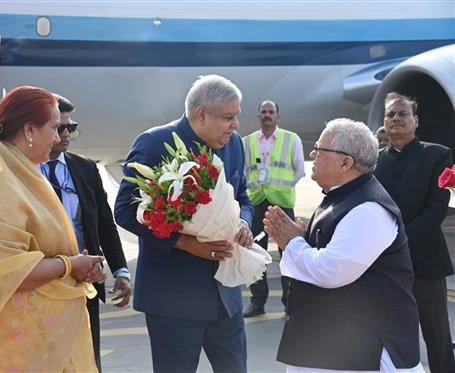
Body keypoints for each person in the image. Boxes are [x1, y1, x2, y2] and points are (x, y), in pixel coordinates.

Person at [0, 86, 104, 372]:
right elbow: (8, 271)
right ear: (29, 130)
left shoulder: (20, 171)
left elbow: (39, 251)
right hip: (17, 344)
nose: (57, 138)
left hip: (42, 332)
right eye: (53, 128)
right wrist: (69, 265)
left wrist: (80, 267)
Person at [114, 75, 254, 373]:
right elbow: (125, 210)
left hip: (225, 296)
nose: (236, 125)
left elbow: (243, 195)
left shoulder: (234, 145)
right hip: (173, 300)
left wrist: (243, 222)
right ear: (201, 114)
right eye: (228, 117)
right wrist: (184, 243)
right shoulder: (154, 143)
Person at [264, 118, 422, 371]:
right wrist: (303, 237)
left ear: (345, 162)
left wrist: (292, 241)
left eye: (320, 149)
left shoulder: (369, 209)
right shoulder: (343, 196)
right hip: (336, 346)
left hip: (363, 351)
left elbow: (331, 270)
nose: (312, 154)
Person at [41, 94, 132, 371]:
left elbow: (105, 224)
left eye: (71, 126)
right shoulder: (22, 172)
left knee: (88, 359)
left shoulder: (85, 168)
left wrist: (121, 272)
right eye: (59, 127)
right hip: (44, 284)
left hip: (86, 283)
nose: (66, 133)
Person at [374, 92, 455, 372]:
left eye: (402, 114)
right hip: (387, 265)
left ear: (415, 121)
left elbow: (436, 210)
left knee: (437, 334)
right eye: (391, 115)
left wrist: (399, 240)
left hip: (425, 262)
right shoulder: (374, 161)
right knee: (391, 335)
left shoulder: (437, 155)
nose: (396, 119)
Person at [241, 99, 305, 318]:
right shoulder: (246, 142)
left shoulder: (291, 139)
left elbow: (299, 170)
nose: (267, 115)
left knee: (288, 253)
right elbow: (242, 172)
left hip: (282, 204)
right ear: (258, 116)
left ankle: (291, 303)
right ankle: (257, 301)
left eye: (271, 111)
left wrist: (279, 189)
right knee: (254, 253)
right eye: (263, 112)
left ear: (277, 116)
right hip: (256, 201)